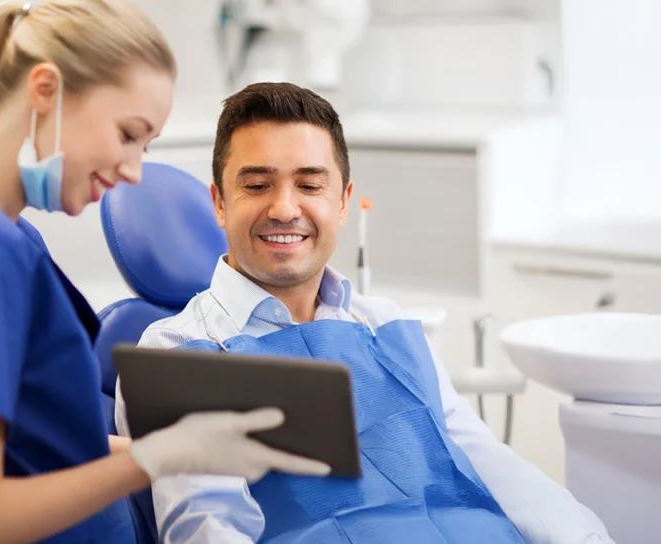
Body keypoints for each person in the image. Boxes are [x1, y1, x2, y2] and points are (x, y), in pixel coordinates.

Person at [0, 3, 331, 543]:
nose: (133, 171)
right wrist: (149, 459)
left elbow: (32, 443)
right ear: (45, 91)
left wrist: (193, 448)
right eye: (128, 134)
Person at [114, 82, 614, 543]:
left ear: (343, 202)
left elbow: (488, 462)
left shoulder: (387, 323)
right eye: (258, 185)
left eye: (310, 185)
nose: (285, 209)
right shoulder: (179, 352)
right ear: (220, 203)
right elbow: (206, 527)